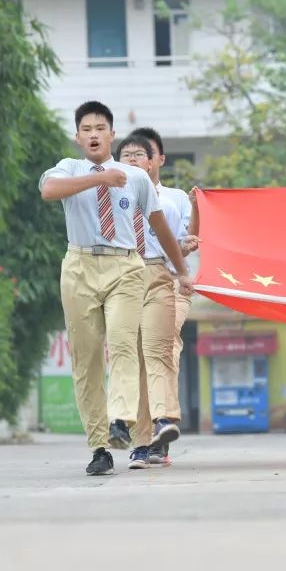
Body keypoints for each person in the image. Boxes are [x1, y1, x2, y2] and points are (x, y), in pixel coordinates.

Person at [40, 101, 193, 476]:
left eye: (100, 128)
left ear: (112, 135)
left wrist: (182, 268)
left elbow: (159, 228)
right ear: (77, 137)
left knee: (124, 345)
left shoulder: (136, 177)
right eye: (86, 129)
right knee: (87, 358)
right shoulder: (69, 169)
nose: (93, 134)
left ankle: (120, 421)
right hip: (79, 266)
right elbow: (49, 191)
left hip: (126, 266)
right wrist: (98, 179)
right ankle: (99, 447)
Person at [110, 133, 196, 466]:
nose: (132, 160)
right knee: (138, 360)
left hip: (167, 281)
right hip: (123, 277)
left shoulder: (171, 200)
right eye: (125, 155)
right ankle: (146, 441)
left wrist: (184, 269)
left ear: (155, 160)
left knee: (161, 350)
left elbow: (185, 242)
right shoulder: (109, 199)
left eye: (139, 154)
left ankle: (164, 424)